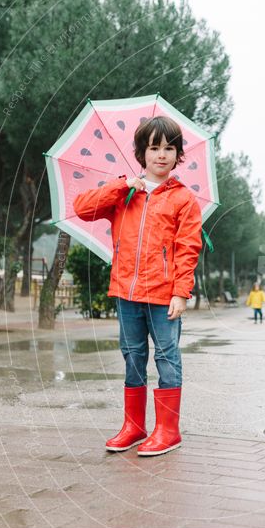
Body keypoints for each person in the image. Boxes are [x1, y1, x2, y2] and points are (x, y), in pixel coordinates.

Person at [73, 116, 202, 456]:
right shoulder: (124, 193)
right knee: (132, 357)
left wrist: (180, 292)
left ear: (178, 155)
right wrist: (123, 185)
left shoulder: (184, 199)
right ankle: (133, 426)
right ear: (141, 153)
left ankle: (167, 430)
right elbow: (82, 208)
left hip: (163, 295)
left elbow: (189, 248)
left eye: (169, 148)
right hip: (126, 292)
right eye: (154, 147)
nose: (162, 155)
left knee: (166, 358)